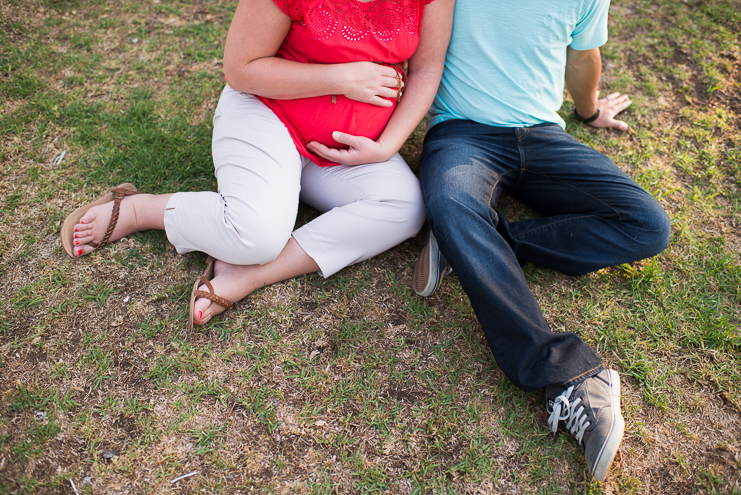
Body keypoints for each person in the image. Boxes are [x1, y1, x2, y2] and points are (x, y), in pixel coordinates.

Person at [61, 0, 454, 329]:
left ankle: (252, 273)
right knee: (256, 233)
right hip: (268, 114)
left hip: (344, 149)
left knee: (405, 207)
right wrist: (343, 78)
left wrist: (386, 147)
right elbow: (241, 69)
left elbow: (426, 69)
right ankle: (140, 209)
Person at [412, 0, 670, 482]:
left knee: (648, 225)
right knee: (450, 204)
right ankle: (571, 377)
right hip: (462, 134)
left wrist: (589, 112)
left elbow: (582, 57)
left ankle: (469, 245)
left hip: (543, 136)